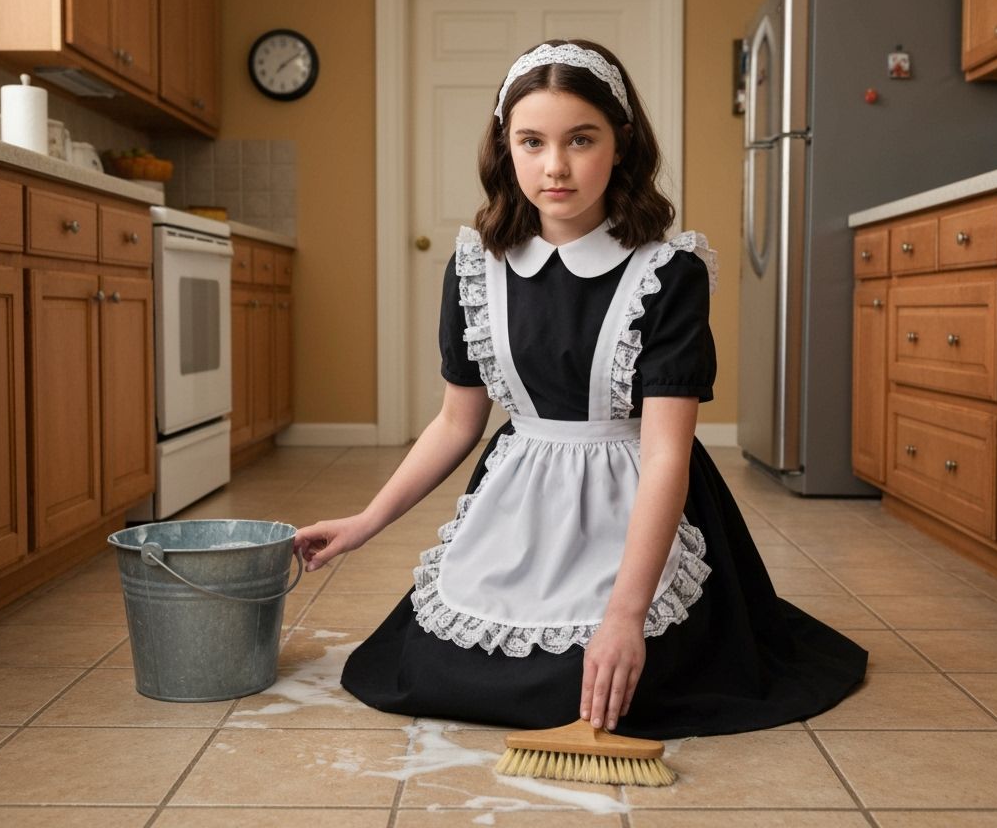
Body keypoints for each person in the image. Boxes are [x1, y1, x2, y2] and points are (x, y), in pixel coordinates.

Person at [295, 39, 867, 739]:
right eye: (531, 141)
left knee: (613, 677)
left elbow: (664, 455)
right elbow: (455, 422)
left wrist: (626, 616)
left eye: (581, 139)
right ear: (505, 147)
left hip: (639, 498)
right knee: (427, 671)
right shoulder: (476, 266)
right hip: (520, 499)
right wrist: (366, 522)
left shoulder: (668, 272)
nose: (555, 166)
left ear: (621, 146)